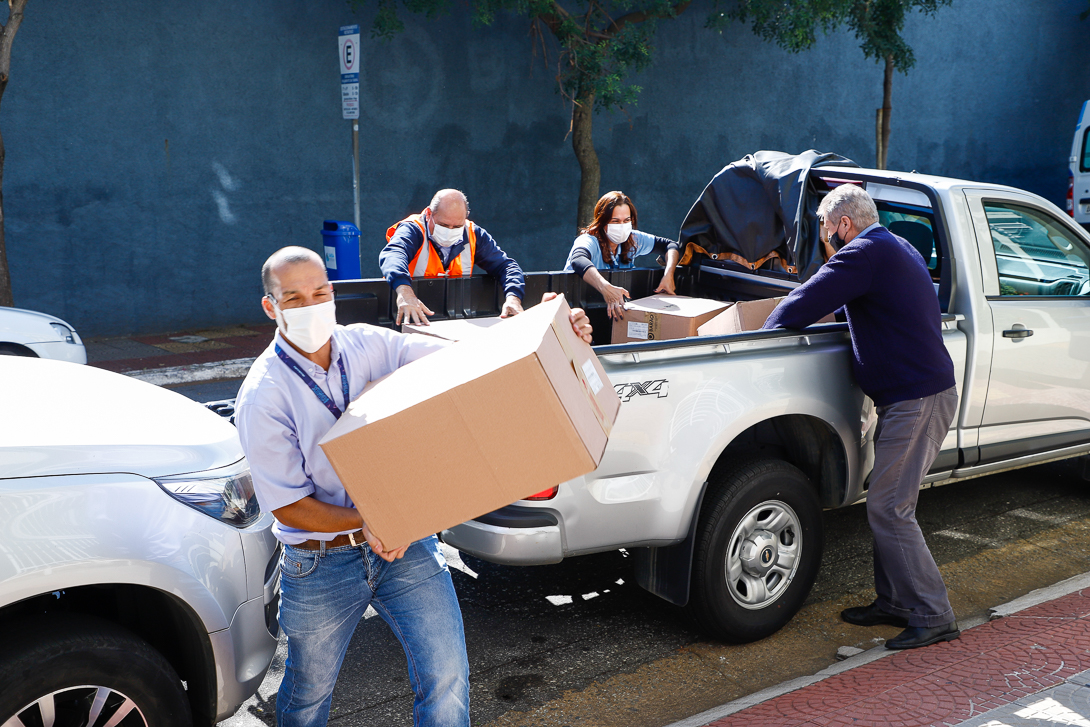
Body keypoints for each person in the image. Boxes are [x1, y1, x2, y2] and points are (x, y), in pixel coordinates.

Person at [235, 247, 592, 726]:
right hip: (321, 563)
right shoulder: (264, 395)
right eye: (294, 299)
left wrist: (546, 329)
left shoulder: (365, 344)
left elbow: (462, 357)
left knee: (447, 678)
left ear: (332, 292)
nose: (311, 306)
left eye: (319, 294)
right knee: (307, 697)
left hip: (407, 546)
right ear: (270, 306)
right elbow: (290, 507)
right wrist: (373, 522)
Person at [762, 184, 960, 651]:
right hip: (914, 396)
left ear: (843, 225)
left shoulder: (863, 253)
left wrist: (759, 336)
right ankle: (895, 603)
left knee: (890, 508)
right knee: (889, 504)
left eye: (824, 228)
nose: (824, 237)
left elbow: (802, 303)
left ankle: (933, 614)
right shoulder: (896, 245)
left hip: (916, 399)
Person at [381, 189, 525, 326]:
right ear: (429, 214)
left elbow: (506, 266)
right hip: (408, 316)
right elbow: (393, 254)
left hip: (454, 320)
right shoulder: (413, 230)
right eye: (443, 225)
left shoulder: (474, 234)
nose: (449, 231)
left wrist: (513, 297)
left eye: (457, 227)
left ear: (465, 217)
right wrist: (405, 292)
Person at [563, 190, 681, 321]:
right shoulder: (589, 240)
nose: (622, 226)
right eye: (615, 221)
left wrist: (668, 274)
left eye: (627, 220)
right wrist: (605, 287)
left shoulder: (633, 239)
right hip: (575, 311)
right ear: (602, 222)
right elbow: (578, 259)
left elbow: (670, 245)